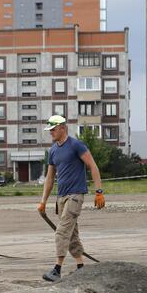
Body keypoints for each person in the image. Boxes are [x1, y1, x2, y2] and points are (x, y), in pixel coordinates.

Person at [37, 115, 105, 282]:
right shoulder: (53, 150)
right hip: (61, 197)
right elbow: (50, 178)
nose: (51, 133)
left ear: (62, 127)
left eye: (53, 129)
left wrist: (99, 191)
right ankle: (81, 267)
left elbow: (92, 165)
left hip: (75, 195)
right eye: (50, 130)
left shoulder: (76, 145)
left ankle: (57, 269)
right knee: (72, 233)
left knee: (61, 232)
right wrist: (43, 201)